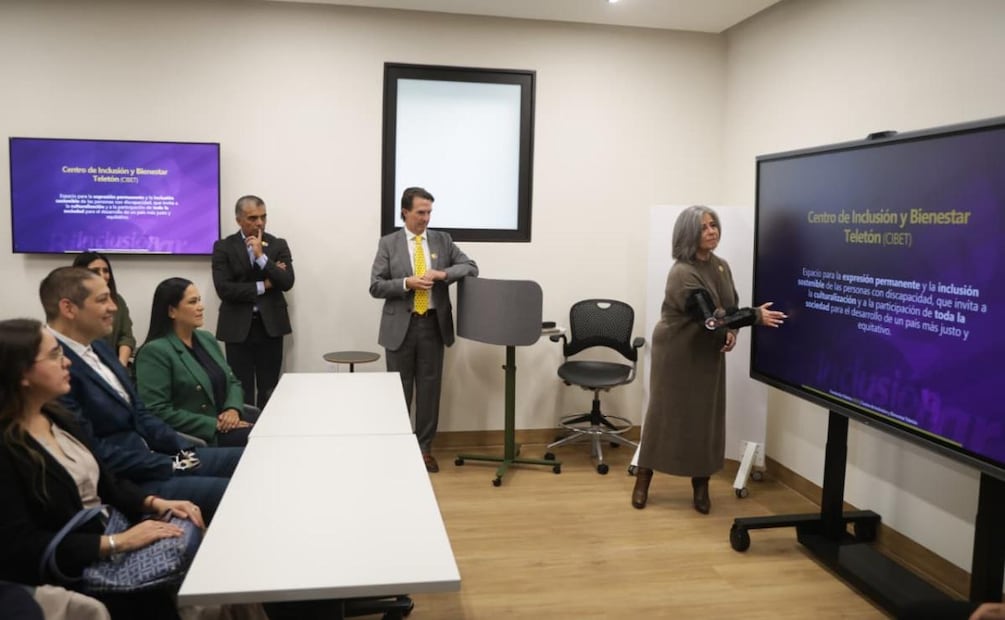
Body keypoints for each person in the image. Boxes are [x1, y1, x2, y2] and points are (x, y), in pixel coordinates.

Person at [0, 318, 205, 620]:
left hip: (110, 532)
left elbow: (107, 483)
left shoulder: (58, 417)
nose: (67, 362)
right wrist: (115, 543)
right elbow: (19, 547)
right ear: (22, 374)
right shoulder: (7, 449)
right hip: (76, 570)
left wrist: (153, 502)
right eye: (55, 355)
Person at [40, 267, 242, 524]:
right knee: (241, 490)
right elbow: (92, 449)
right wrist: (165, 464)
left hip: (161, 459)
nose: (114, 307)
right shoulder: (53, 367)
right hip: (131, 482)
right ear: (69, 308)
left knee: (252, 461)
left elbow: (142, 415)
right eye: (103, 300)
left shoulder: (99, 348)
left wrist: (183, 453)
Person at [632, 206, 786, 514]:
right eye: (704, 227)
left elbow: (726, 309)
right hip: (676, 353)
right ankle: (643, 479)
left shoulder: (721, 266)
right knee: (663, 417)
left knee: (706, 419)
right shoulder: (681, 272)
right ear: (689, 234)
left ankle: (700, 487)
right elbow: (709, 317)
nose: (712, 230)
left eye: (714, 224)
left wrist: (732, 332)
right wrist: (754, 317)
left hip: (706, 354)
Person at [369, 187, 478, 473]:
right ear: (405, 212)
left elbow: (470, 267)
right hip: (399, 327)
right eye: (420, 212)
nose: (426, 218)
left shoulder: (443, 241)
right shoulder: (388, 243)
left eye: (429, 212)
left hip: (432, 324)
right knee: (398, 391)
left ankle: (424, 449)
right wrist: (407, 283)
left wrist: (443, 274)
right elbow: (376, 285)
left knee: (429, 390)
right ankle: (397, 447)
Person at [135, 278, 255, 448]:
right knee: (265, 442)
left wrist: (233, 409)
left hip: (231, 420)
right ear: (172, 311)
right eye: (192, 302)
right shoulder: (155, 352)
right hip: (203, 434)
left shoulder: (206, 339)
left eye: (199, 300)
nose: (201, 306)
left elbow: (232, 381)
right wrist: (214, 424)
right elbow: (157, 411)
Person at [212, 195, 294, 409]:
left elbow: (286, 281)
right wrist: (263, 285)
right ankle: (243, 432)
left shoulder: (277, 245)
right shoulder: (223, 247)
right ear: (239, 220)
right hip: (238, 328)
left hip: (270, 326)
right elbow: (224, 289)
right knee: (241, 387)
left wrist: (261, 258)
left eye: (263, 217)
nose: (260, 223)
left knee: (270, 387)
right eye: (253, 218)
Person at [72, 253, 135, 369]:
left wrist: (120, 366)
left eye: (106, 271)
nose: (102, 275)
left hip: (115, 366)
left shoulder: (117, 301)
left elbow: (126, 338)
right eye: (95, 271)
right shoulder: (70, 304)